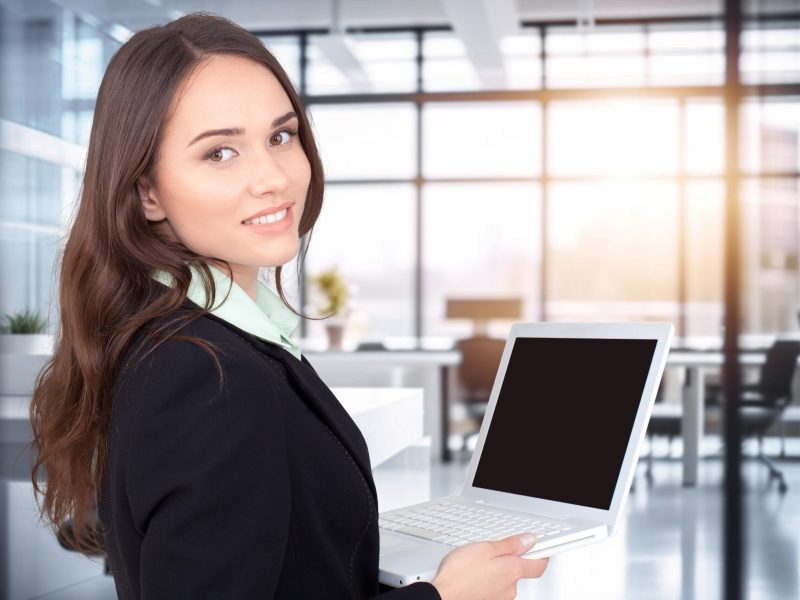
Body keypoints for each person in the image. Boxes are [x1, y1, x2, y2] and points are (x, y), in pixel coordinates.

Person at [29, 12, 549, 599]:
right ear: (147, 192)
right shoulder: (203, 374)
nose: (273, 177)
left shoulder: (196, 339)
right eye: (220, 153)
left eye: (281, 136)